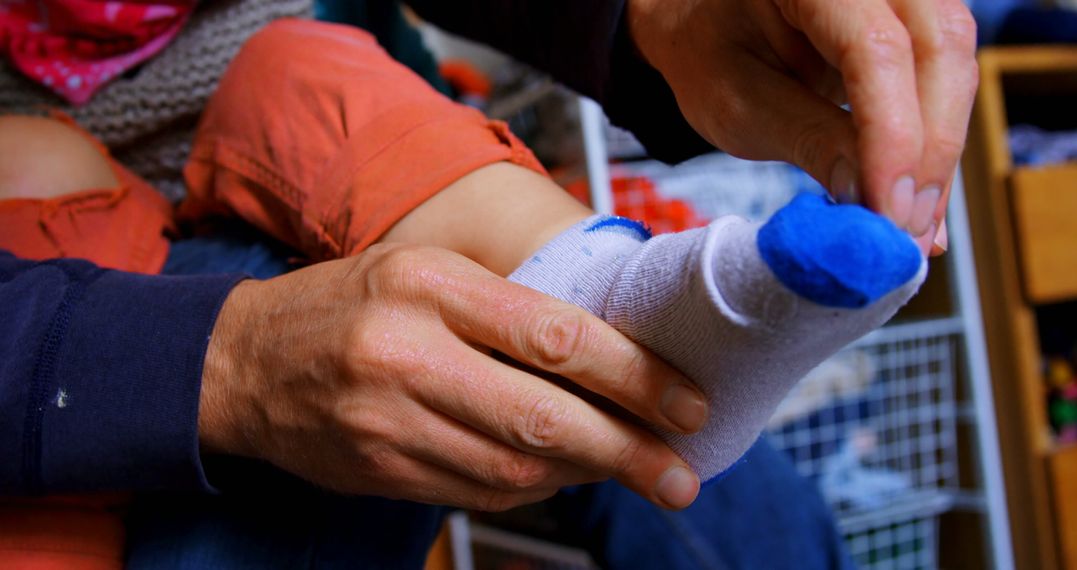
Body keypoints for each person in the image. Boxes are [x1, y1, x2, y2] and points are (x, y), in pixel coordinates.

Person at [0, 0, 978, 567]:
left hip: (290, 120)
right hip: (63, 296)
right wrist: (231, 368)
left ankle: (594, 279)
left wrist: (649, 9)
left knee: (303, 68)